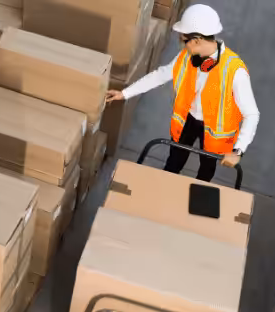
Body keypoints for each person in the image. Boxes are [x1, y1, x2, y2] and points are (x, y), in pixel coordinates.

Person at [106, 4, 259, 182]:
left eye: (183, 39)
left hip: (214, 133)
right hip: (187, 120)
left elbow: (252, 114)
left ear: (197, 40)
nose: (181, 44)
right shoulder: (186, 58)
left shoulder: (235, 71)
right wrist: (124, 93)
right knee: (173, 162)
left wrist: (237, 151)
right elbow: (160, 75)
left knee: (205, 172)